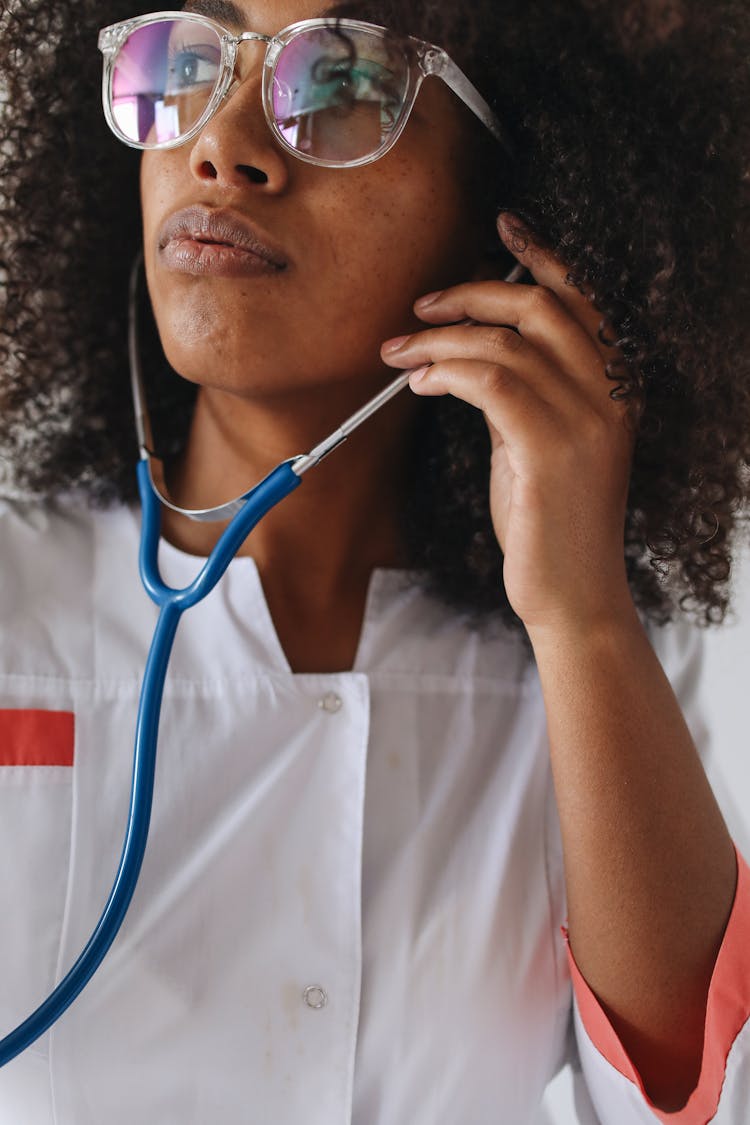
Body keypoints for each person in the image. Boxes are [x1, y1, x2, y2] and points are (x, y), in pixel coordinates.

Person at [0, 0, 748, 1121]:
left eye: (340, 86)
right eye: (189, 62)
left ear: (504, 207)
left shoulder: (585, 676)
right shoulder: (17, 606)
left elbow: (688, 1097)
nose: (223, 145)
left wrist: (582, 611)